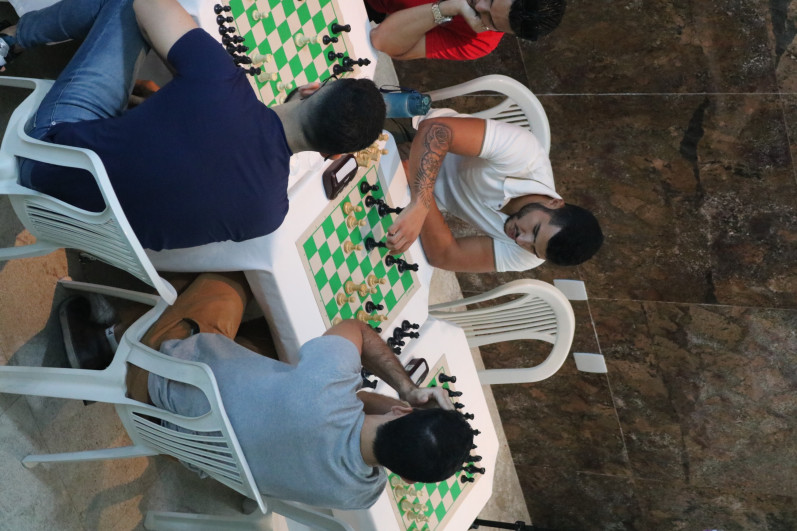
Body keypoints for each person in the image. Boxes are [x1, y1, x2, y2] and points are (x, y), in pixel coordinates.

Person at [60, 272, 475, 509]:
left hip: (155, 387)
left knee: (233, 279)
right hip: (186, 448)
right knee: (264, 344)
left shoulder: (325, 389)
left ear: (402, 412)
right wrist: (405, 414)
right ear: (405, 476)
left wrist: (408, 389)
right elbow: (361, 405)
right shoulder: (362, 494)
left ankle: (107, 337)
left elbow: (357, 331)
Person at [0, 0, 386, 251]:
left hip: (44, 161)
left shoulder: (222, 81)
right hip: (86, 232)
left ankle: (9, 41)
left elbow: (147, 5)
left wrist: (195, 68)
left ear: (309, 89)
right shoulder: (269, 213)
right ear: (330, 154)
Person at [385, 109, 603, 272]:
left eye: (533, 249)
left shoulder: (529, 253)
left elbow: (445, 256)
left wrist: (422, 198)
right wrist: (421, 203)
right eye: (535, 230)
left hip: (412, 192)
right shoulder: (526, 155)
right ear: (554, 203)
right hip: (411, 135)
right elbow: (436, 131)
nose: (521, 240)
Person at [366, 0, 567, 61]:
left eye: (490, 20)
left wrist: (446, 8)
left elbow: (381, 40)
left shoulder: (480, 40)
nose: (479, 6)